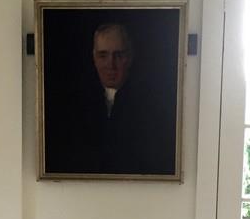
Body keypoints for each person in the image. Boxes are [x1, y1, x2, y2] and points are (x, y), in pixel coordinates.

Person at [46, 22, 176, 176]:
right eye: (103, 55)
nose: (111, 65)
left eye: (118, 55)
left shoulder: (152, 105)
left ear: (130, 57)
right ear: (94, 58)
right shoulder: (74, 104)